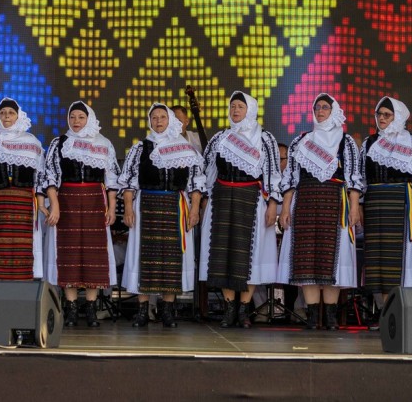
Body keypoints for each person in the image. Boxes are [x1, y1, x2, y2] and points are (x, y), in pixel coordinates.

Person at [278, 94, 364, 330]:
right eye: (317, 107)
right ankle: (313, 315)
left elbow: (353, 178)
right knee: (307, 258)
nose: (320, 111)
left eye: (325, 107)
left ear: (334, 111)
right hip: (305, 202)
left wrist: (354, 207)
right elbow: (291, 178)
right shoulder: (301, 141)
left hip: (334, 202)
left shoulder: (346, 142)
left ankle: (331, 316)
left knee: (331, 258)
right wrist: (285, 207)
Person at [118, 103, 207, 328]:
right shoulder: (140, 148)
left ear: (170, 121)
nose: (158, 121)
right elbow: (128, 182)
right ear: (150, 121)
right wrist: (128, 208)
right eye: (154, 117)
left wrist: (194, 209)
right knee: (144, 257)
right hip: (146, 205)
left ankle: (168, 311)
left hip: (175, 205)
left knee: (172, 258)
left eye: (162, 117)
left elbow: (196, 182)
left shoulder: (185, 149)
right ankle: (142, 311)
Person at [200, 91, 283, 328]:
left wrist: (273, 204)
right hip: (221, 199)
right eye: (233, 106)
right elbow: (207, 170)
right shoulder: (220, 138)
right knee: (223, 253)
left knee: (250, 253)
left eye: (240, 106)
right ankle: (229, 309)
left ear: (250, 110)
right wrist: (205, 199)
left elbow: (273, 173)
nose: (235, 110)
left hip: (251, 200)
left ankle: (244, 309)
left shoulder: (264, 139)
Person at [42, 100, 120, 327]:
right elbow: (50, 176)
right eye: (72, 116)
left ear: (89, 119)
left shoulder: (103, 143)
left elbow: (112, 179)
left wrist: (111, 208)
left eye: (81, 117)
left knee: (94, 254)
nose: (76, 121)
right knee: (69, 253)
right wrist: (55, 205)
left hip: (95, 201)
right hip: (67, 200)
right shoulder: (59, 143)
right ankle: (72, 308)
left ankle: (91, 308)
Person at [362, 97, 412, 317]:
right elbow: (362, 179)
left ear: (398, 116)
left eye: (387, 114)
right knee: (379, 257)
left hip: (401, 202)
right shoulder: (369, 143)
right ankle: (384, 312)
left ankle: (401, 312)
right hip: (375, 204)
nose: (382, 118)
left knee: (400, 255)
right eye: (379, 114)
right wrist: (360, 207)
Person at [0, 98, 45, 281]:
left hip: (23, 201)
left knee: (22, 246)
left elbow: (40, 175)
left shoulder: (32, 143)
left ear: (18, 116)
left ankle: (22, 285)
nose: (6, 116)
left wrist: (41, 203)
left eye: (11, 113)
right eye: (2, 113)